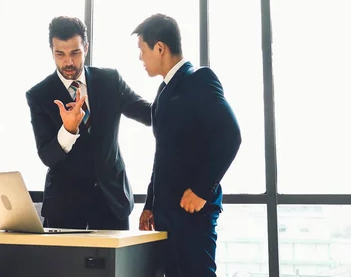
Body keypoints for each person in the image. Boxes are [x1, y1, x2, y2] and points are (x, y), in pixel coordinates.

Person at [134, 14, 241, 277]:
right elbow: (163, 155)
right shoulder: (162, 92)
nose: (140, 58)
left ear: (159, 48)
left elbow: (230, 135)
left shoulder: (199, 80)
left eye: (142, 50)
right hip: (166, 213)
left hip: (193, 212)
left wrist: (202, 190)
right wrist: (150, 203)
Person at [25, 16, 152, 230]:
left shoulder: (110, 81)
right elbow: (47, 156)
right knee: (64, 265)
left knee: (115, 265)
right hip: (65, 208)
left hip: (112, 202)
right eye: (60, 54)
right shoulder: (39, 95)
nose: (68, 62)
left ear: (86, 46)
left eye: (75, 53)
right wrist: (68, 130)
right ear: (51, 51)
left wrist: (177, 91)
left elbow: (148, 114)